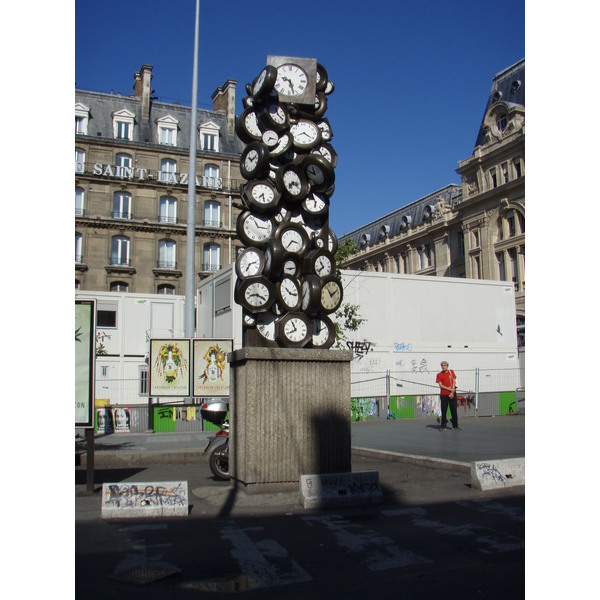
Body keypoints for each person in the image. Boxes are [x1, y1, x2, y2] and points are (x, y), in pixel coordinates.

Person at [436, 361, 460, 431]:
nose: (443, 367)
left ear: (447, 366)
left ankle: (455, 425)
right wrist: (448, 389)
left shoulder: (451, 372)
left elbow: (454, 381)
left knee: (454, 410)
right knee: (444, 410)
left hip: (452, 393)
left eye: (445, 365)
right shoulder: (439, 375)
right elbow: (441, 385)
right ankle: (443, 426)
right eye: (442, 365)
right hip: (444, 395)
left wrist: (452, 391)